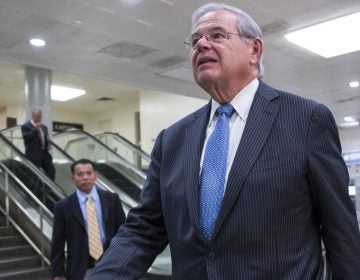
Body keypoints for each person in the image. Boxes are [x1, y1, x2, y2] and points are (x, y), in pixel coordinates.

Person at [89, 3, 360, 279]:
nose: (201, 45)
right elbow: (144, 228)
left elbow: (341, 231)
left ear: (254, 50)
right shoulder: (171, 140)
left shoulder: (305, 119)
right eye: (195, 40)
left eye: (217, 35)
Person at [50, 158, 126, 280]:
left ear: (95, 175)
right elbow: (57, 242)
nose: (85, 177)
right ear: (73, 178)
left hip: (112, 264)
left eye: (89, 173)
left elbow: (123, 232)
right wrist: (57, 273)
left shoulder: (111, 199)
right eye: (80, 174)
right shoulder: (63, 206)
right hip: (81, 268)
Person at [21, 109, 56, 180]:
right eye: (37, 117)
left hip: (44, 154)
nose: (39, 119)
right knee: (34, 175)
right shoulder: (25, 126)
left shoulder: (44, 127)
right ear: (33, 116)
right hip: (33, 155)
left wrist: (48, 144)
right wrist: (35, 129)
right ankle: (35, 190)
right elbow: (26, 137)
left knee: (51, 171)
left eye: (40, 117)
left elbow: (45, 138)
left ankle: (49, 189)